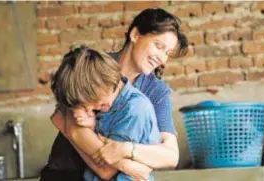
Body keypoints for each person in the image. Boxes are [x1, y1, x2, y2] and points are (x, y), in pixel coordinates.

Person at [40, 8, 189, 181]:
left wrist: (127, 150)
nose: (162, 59)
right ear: (135, 35)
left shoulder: (156, 92)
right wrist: (128, 165)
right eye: (158, 46)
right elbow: (71, 124)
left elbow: (170, 156)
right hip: (66, 172)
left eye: (167, 53)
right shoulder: (94, 67)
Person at [48, 45, 161, 181]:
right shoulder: (104, 100)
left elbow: (106, 169)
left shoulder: (134, 110)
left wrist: (70, 131)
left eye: (87, 103)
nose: (88, 110)